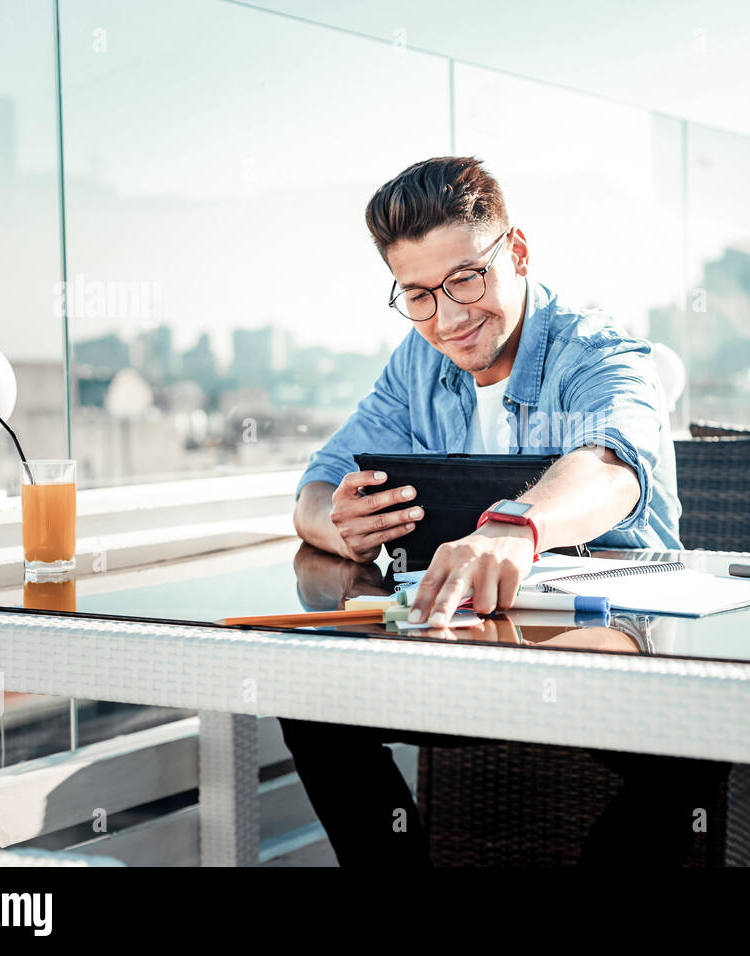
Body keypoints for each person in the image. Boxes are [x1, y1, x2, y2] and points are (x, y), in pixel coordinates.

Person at [280, 156, 726, 866]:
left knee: (694, 755)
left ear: (515, 251)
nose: (449, 317)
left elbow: (611, 467)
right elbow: (317, 484)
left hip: (611, 661)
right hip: (468, 662)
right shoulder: (417, 364)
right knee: (312, 701)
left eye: (465, 278)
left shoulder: (598, 351)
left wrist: (516, 527)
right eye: (419, 294)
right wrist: (334, 522)